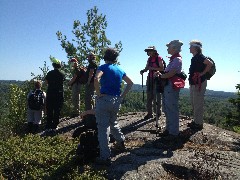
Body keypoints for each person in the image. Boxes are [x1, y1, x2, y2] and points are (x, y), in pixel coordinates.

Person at [94, 48, 133, 165]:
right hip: (116, 100)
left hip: (104, 99)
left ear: (105, 56)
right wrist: (121, 96)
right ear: (115, 58)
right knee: (113, 122)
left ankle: (105, 157)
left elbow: (96, 78)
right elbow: (130, 83)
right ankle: (121, 142)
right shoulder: (119, 69)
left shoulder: (103, 67)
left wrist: (98, 93)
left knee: (103, 128)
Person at [155, 40, 183, 136]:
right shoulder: (174, 59)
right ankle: (169, 130)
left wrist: (160, 76)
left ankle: (173, 133)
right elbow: (169, 73)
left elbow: (171, 73)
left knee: (171, 109)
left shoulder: (177, 60)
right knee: (167, 109)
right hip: (168, 86)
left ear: (174, 48)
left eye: (169, 47)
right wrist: (161, 74)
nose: (167, 49)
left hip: (171, 86)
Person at [188, 40, 213, 130]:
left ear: (195, 48)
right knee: (194, 103)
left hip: (199, 83)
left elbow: (210, 64)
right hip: (195, 82)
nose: (189, 48)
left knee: (198, 103)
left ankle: (198, 124)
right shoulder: (196, 57)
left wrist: (202, 74)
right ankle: (196, 121)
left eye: (191, 46)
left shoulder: (200, 57)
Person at [140, 46, 164, 120]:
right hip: (150, 79)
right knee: (149, 97)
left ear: (154, 51)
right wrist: (143, 70)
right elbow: (147, 68)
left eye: (150, 51)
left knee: (157, 97)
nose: (149, 52)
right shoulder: (149, 59)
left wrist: (152, 68)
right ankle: (150, 114)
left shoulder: (159, 58)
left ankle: (158, 114)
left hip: (157, 79)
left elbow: (162, 68)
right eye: (148, 51)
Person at [44, 57, 65, 134]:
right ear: (59, 65)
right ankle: (55, 126)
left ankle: (48, 126)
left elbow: (46, 82)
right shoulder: (62, 74)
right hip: (59, 93)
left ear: (53, 65)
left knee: (50, 109)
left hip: (50, 93)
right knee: (57, 110)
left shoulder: (49, 73)